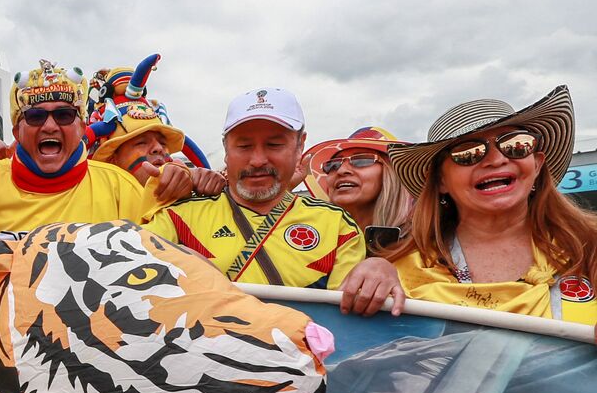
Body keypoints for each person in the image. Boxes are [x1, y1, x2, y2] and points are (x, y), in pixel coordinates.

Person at [144, 88, 401, 313]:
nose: (257, 160)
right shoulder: (176, 217)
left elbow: (347, 325)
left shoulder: (337, 225)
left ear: (300, 146)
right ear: (226, 149)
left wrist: (378, 270)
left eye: (274, 145)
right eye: (244, 146)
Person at [386, 85, 597, 325]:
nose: (497, 160)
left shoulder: (590, 247)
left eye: (515, 145)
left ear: (537, 165)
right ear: (441, 181)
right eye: (469, 152)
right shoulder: (403, 272)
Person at [0, 60, 152, 234]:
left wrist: (179, 197)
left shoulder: (121, 188)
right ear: (17, 131)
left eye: (64, 115)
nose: (50, 127)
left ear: (82, 128)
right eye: (35, 116)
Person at [86, 61, 225, 207]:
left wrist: (208, 183)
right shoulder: (94, 209)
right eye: (141, 142)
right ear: (112, 160)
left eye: (163, 142)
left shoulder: (199, 203)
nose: (158, 148)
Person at [305, 127, 414, 251]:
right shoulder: (310, 239)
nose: (341, 170)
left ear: (392, 173)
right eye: (333, 165)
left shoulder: (423, 243)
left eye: (361, 160)